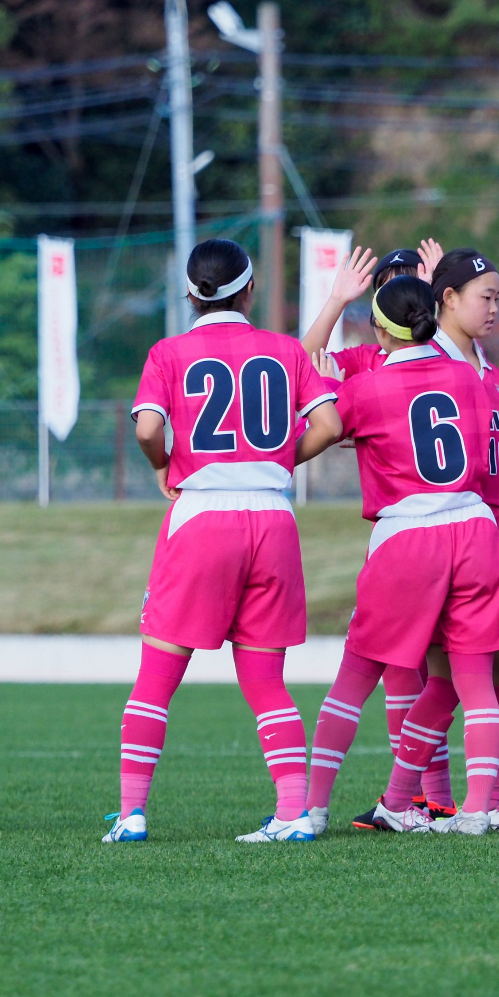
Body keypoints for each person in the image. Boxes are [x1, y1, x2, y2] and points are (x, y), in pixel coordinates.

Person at [104, 238, 342, 844]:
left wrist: (163, 463)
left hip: (203, 514)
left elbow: (150, 429)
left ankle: (132, 813)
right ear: (250, 289)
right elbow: (330, 424)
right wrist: (280, 461)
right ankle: (293, 814)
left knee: (158, 674)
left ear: (190, 294)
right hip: (271, 518)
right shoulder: (286, 350)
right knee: (265, 680)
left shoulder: (168, 351)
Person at [305, 275, 499, 836]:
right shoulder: (470, 377)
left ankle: (311, 807)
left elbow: (322, 422)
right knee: (469, 679)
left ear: (380, 329)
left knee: (356, 676)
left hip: (408, 536)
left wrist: (329, 392)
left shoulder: (368, 387)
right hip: (474, 528)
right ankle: (473, 809)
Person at [370, 248, 499, 832]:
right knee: (453, 675)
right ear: (446, 299)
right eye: (485, 296)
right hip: (446, 537)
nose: (496, 307)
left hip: (487, 530)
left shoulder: (489, 370)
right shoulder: (430, 362)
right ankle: (449, 801)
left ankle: (469, 801)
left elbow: (484, 456)